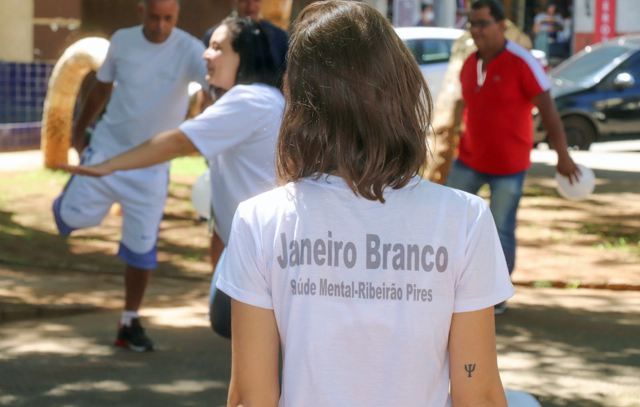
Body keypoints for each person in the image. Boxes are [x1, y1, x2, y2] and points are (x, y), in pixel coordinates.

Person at [215, 1, 513, 406]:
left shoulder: (260, 219)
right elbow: (476, 391)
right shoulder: (463, 218)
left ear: (300, 101)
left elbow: (251, 397)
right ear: (403, 90)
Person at [58, 17, 284, 340]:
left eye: (218, 48)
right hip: (252, 248)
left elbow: (180, 142)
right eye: (208, 46)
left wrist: (109, 166)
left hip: (267, 254)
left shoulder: (251, 99)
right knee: (230, 324)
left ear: (243, 57)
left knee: (240, 332)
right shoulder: (254, 99)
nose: (206, 54)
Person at [52, 0, 207, 352]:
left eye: (169, 19)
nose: (161, 26)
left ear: (177, 17)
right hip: (107, 150)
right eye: (155, 17)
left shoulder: (189, 49)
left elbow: (213, 85)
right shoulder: (122, 41)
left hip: (151, 168)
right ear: (141, 11)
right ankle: (75, 202)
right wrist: (78, 131)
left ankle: (129, 322)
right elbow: (101, 89)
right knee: (71, 217)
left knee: (141, 250)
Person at [446, 0, 579, 314]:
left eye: (482, 23)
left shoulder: (522, 62)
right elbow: (463, 107)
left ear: (502, 26)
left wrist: (563, 155)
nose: (475, 31)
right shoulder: (469, 63)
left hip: (509, 165)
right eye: (472, 24)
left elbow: (548, 110)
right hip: (469, 160)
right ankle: (449, 285)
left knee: (501, 227)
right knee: (450, 219)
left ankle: (496, 297)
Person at [202, 0, 288, 77]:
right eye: (244, 0)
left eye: (256, 0)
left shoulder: (279, 38)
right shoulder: (215, 37)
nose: (250, 6)